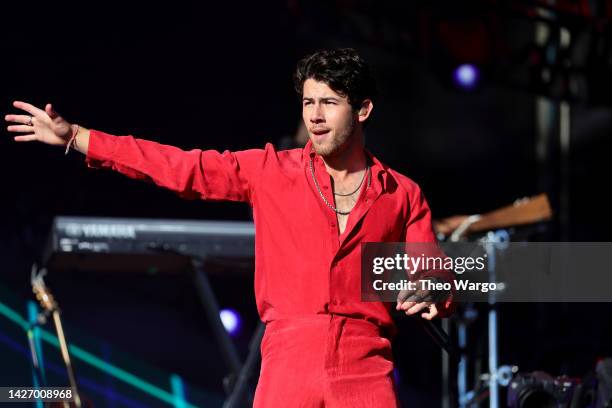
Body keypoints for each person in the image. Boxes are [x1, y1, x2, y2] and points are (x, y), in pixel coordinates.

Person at [6, 48, 454, 407]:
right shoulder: (270, 171)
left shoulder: (402, 193)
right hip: (288, 367)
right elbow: (180, 167)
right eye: (308, 103)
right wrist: (79, 137)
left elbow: (433, 273)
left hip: (365, 369)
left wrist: (433, 291)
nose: (314, 117)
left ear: (363, 110)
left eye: (329, 104)